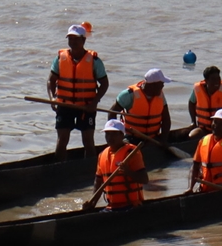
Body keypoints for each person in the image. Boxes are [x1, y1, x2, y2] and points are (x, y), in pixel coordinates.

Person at [48, 25, 108, 155]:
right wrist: (53, 99)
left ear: (83, 41)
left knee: (88, 140)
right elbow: (51, 81)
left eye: (76, 39)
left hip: (86, 107)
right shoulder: (60, 58)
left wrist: (94, 102)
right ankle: (59, 168)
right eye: (70, 39)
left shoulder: (94, 61)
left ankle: (92, 169)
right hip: (64, 105)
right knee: (62, 139)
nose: (73, 42)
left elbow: (104, 84)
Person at [83, 119, 148, 211]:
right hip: (111, 206)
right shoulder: (102, 155)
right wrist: (92, 204)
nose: (109, 137)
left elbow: (144, 179)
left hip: (131, 206)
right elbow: (98, 182)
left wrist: (128, 172)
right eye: (107, 134)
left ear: (122, 135)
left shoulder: (132, 152)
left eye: (113, 134)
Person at [115, 68, 172, 138]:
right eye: (161, 84)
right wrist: (116, 135)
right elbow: (112, 113)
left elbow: (166, 119)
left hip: (153, 138)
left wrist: (163, 138)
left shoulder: (160, 95)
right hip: (132, 137)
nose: (163, 86)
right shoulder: (129, 94)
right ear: (153, 85)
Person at [188, 65, 222, 133]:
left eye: (218, 78)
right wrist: (193, 122)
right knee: (192, 135)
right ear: (206, 81)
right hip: (204, 127)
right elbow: (191, 103)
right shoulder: (198, 89)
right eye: (213, 79)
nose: (217, 82)